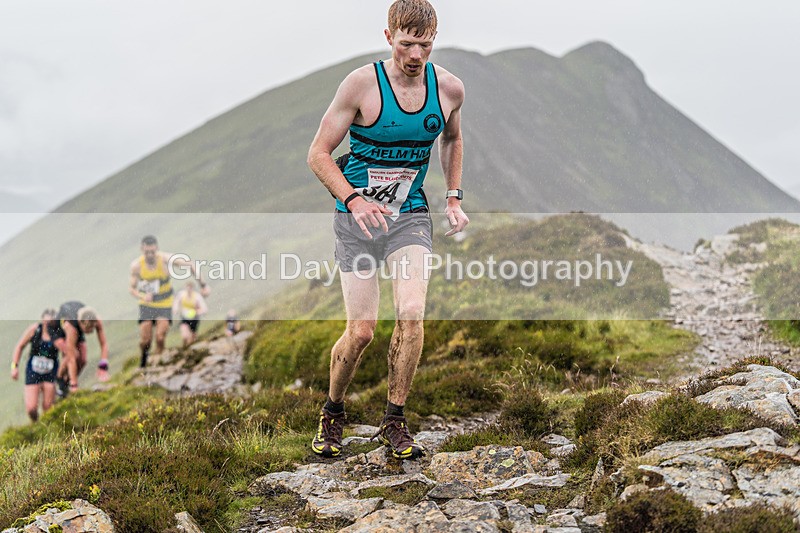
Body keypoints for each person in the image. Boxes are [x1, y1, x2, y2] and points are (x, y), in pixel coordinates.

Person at [307, 0, 468, 459]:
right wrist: (353, 199)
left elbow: (453, 138)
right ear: (388, 37)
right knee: (361, 332)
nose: (415, 55)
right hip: (356, 221)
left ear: (435, 40)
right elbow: (318, 154)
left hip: (409, 218)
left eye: (425, 44)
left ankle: (395, 420)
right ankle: (333, 411)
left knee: (412, 312)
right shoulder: (361, 85)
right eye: (406, 44)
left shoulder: (450, 89)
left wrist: (453, 195)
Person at [129, 235, 209, 367]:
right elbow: (132, 289)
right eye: (146, 252)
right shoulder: (136, 266)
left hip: (165, 302)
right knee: (145, 340)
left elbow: (190, 265)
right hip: (147, 304)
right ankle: (143, 360)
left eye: (152, 252)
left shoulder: (166, 259)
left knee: (160, 337)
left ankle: (157, 364)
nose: (150, 255)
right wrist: (142, 296)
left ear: (157, 249)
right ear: (141, 250)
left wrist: (203, 285)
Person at [11, 309, 60, 421]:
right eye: (46, 322)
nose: (48, 325)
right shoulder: (34, 330)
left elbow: (67, 351)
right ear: (42, 320)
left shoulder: (58, 334)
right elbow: (19, 346)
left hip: (50, 372)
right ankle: (36, 423)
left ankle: (46, 429)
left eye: (51, 322)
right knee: (31, 408)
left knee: (48, 407)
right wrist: (14, 367)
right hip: (33, 371)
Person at [52, 301, 109, 396]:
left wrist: (103, 366)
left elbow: (104, 344)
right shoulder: (71, 327)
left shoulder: (96, 320)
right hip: (57, 331)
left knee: (83, 360)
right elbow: (71, 358)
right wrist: (74, 385)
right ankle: (60, 379)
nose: (91, 331)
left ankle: (67, 383)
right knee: (73, 354)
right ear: (80, 323)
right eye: (88, 328)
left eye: (92, 328)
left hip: (78, 327)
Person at [172, 281, 208, 348]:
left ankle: (189, 350)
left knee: (192, 339)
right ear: (185, 288)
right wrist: (175, 309)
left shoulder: (197, 296)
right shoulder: (182, 294)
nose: (189, 289)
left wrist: (196, 312)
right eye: (187, 288)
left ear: (192, 288)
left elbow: (204, 309)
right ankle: (184, 348)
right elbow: (176, 302)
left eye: (190, 288)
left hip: (194, 319)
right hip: (184, 318)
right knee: (185, 336)